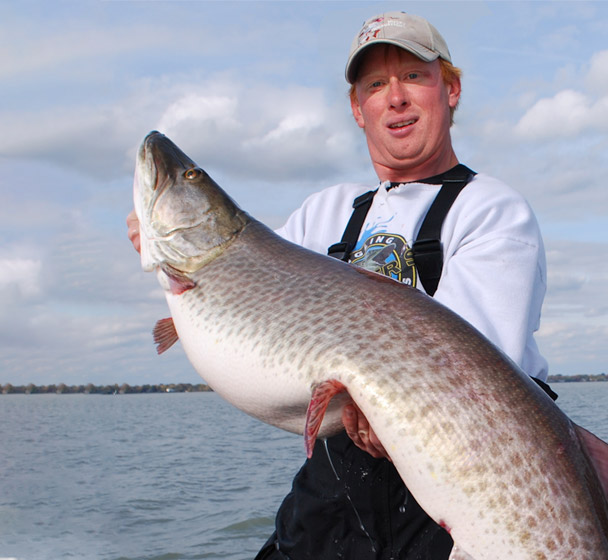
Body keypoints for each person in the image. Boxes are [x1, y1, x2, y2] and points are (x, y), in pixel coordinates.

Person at [127, 11, 554, 560]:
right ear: (358, 109)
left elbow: (480, 368)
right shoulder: (325, 212)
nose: (394, 97)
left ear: (451, 89)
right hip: (334, 492)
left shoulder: (490, 209)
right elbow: (243, 303)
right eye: (375, 84)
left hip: (459, 478)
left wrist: (394, 418)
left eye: (413, 77)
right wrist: (165, 248)